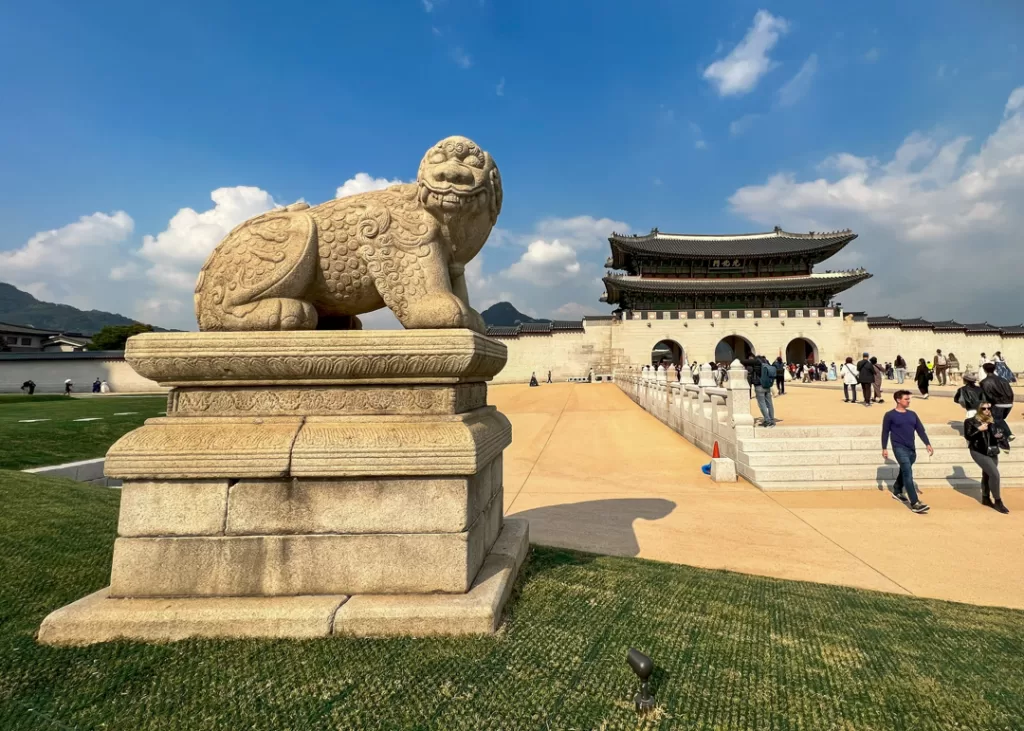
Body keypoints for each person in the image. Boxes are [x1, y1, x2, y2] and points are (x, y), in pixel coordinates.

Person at [881, 390, 933, 514]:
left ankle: (897, 490)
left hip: (911, 449)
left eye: (909, 399)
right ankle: (915, 503)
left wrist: (927, 443)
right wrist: (884, 448)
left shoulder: (912, 414)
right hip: (899, 447)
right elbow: (885, 432)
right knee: (908, 473)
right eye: (906, 399)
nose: (908, 401)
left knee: (905, 470)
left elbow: (920, 430)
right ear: (898, 400)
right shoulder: (890, 415)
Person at [964, 402, 1010, 514]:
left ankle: (985, 497)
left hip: (992, 450)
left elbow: (1001, 434)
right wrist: (979, 430)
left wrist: (999, 436)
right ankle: (998, 501)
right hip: (978, 451)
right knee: (995, 474)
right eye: (984, 408)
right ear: (979, 409)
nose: (987, 410)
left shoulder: (993, 420)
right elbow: (968, 436)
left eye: (989, 408)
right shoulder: (970, 421)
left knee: (987, 473)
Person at [740, 351, 776, 428]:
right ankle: (772, 420)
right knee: (769, 404)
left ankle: (767, 420)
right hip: (767, 385)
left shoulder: (756, 362)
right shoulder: (766, 362)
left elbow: (742, 361)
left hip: (759, 386)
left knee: (762, 404)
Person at [981, 362, 1015, 441]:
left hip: (998, 403)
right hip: (1009, 403)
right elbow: (1010, 392)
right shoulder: (1003, 380)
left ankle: (1009, 434)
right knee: (998, 420)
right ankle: (999, 435)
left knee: (997, 419)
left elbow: (988, 395)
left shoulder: (984, 382)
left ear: (984, 370)